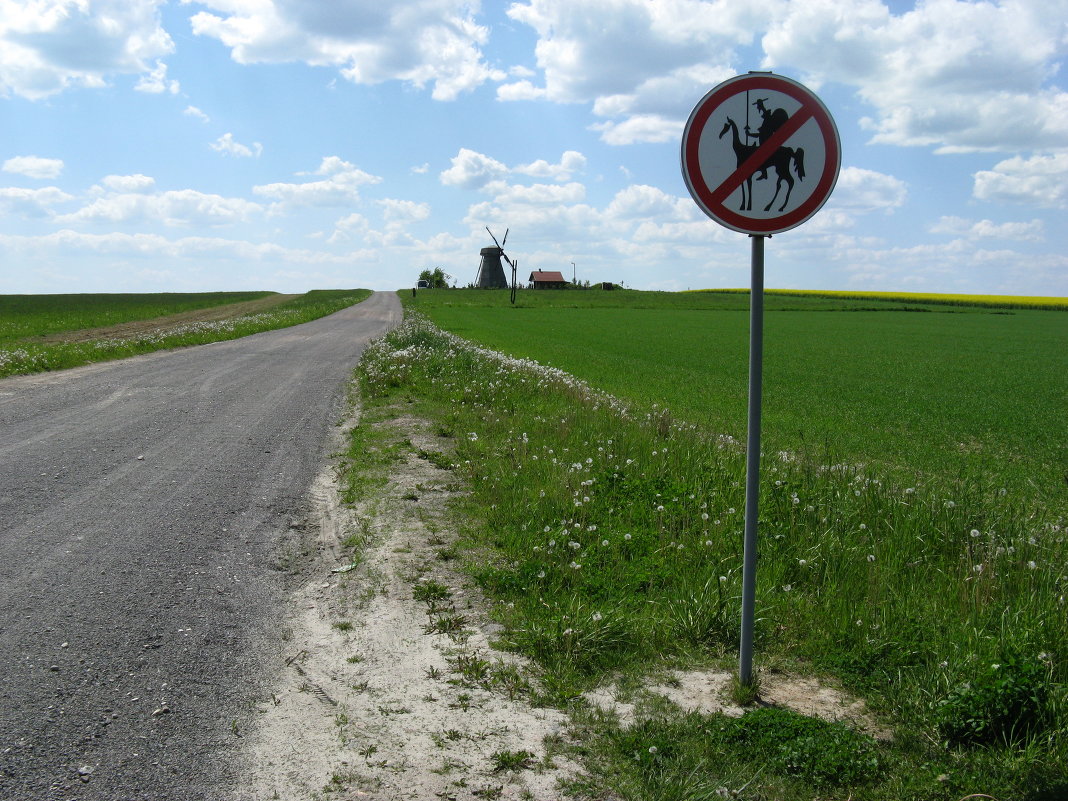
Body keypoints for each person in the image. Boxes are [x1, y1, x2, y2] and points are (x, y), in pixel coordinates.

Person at [746, 98, 788, 180]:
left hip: (766, 144)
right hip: (763, 142)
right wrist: (749, 134)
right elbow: (759, 134)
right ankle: (764, 172)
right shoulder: (766, 122)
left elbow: (766, 115)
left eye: (758, 107)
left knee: (758, 156)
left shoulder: (768, 121)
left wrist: (762, 106)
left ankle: (764, 173)